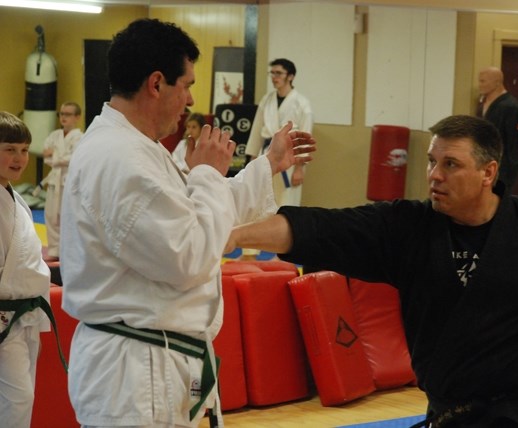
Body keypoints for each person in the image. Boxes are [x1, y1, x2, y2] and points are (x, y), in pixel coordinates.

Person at [227, 115, 518, 428]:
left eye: (451, 165)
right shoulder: (408, 227)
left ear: (488, 172)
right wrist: (231, 235)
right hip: (450, 412)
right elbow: (325, 229)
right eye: (432, 161)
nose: (434, 175)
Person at [59, 19, 315, 428]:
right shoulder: (119, 158)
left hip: (155, 363)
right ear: (157, 83)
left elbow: (199, 217)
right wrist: (207, 175)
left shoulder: (138, 150)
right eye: (187, 85)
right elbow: (188, 254)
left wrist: (268, 165)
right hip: (135, 373)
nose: (191, 99)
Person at [0, 111, 52, 427]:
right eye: (9, 149)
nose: (19, 158)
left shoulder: (16, 197)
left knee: (19, 396)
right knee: (18, 397)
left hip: (24, 315)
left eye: (23, 149)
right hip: (5, 315)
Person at [246, 58, 313, 207]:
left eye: (279, 73)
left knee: (287, 202)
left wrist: (300, 169)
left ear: (290, 76)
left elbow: (305, 137)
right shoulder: (267, 100)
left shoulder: (302, 104)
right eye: (272, 73)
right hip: (267, 154)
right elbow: (257, 131)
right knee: (262, 200)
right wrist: (253, 161)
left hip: (289, 159)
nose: (274, 77)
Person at [41, 101, 83, 261]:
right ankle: (53, 251)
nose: (63, 117)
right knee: (51, 215)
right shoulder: (55, 135)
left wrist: (56, 156)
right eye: (61, 114)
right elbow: (45, 154)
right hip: (54, 180)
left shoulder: (80, 137)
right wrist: (58, 158)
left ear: (77, 117)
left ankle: (70, 251)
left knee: (68, 216)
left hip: (69, 182)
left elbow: (76, 158)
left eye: (68, 114)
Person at [477, 66, 518, 190]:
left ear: (497, 83)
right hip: (484, 167)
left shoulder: (511, 107)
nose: (479, 85)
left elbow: (516, 147)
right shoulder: (482, 105)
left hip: (502, 172)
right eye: (479, 81)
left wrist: (507, 177)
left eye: (483, 81)